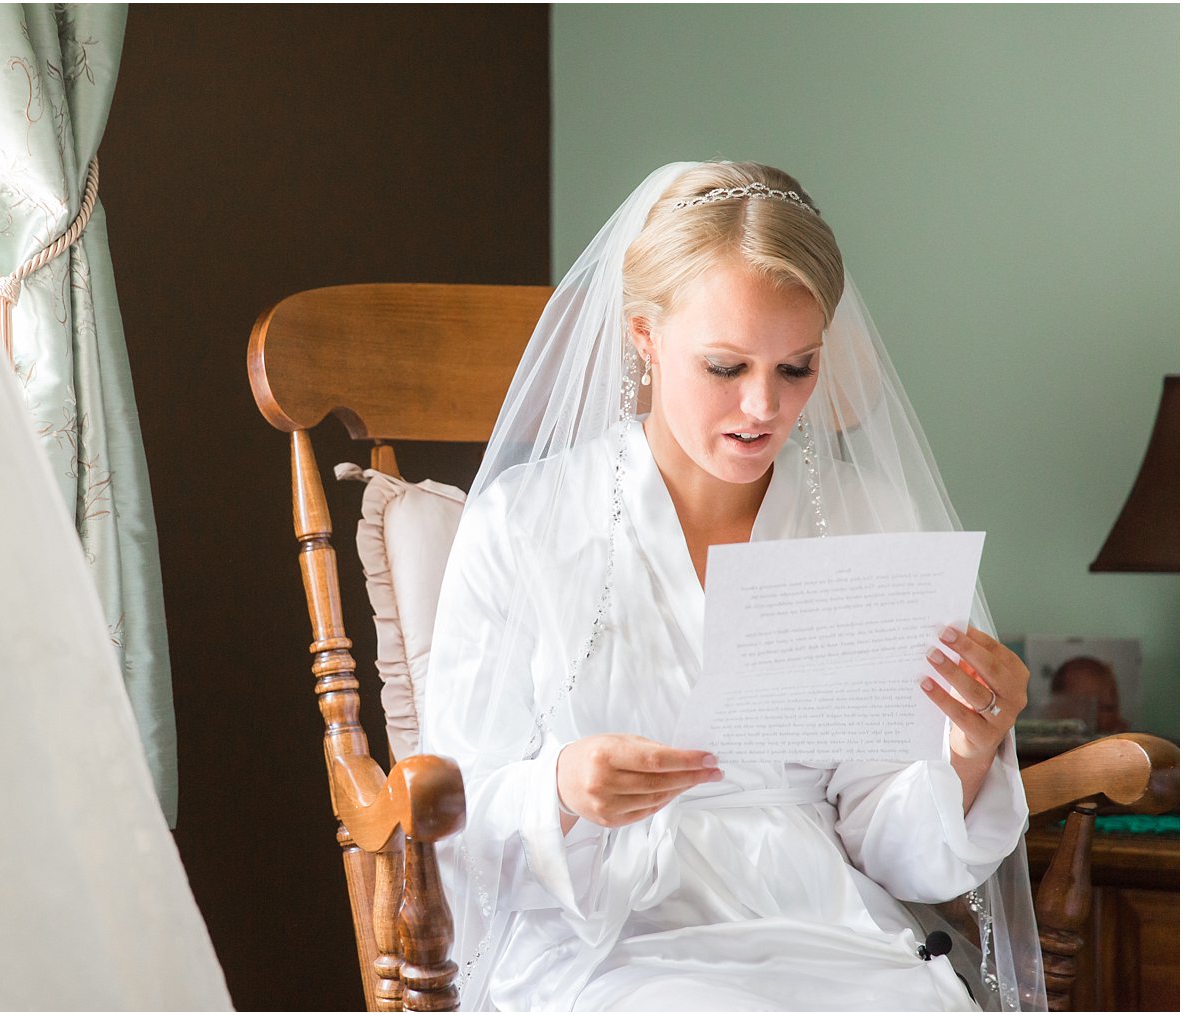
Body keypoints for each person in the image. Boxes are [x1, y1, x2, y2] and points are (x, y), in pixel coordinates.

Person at [420, 162, 1043, 1011]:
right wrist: (562, 788)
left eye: (797, 368)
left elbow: (899, 854)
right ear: (644, 335)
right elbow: (450, 815)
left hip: (825, 927)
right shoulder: (523, 524)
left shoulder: (873, 519)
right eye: (724, 366)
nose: (762, 407)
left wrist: (968, 751)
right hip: (608, 938)